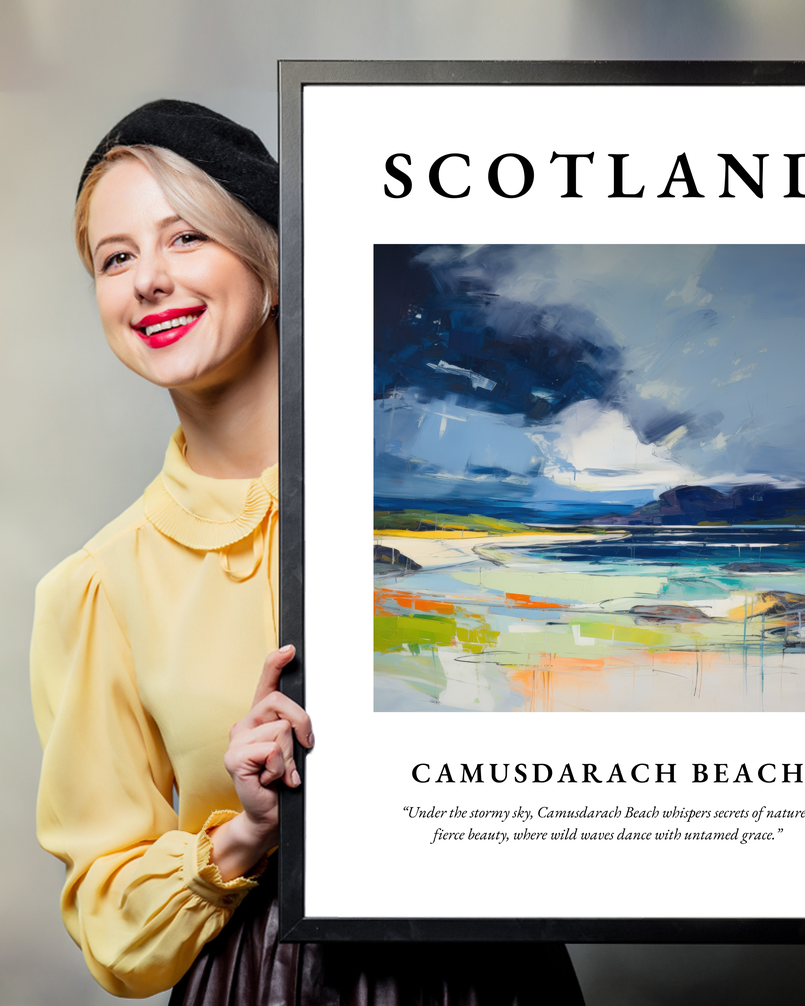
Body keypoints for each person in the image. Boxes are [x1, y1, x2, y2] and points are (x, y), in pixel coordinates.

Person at [30, 100, 585, 1004]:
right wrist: (245, 832)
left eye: (186, 239)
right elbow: (110, 924)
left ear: (273, 264)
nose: (148, 281)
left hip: (493, 973)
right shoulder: (97, 587)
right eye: (116, 257)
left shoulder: (447, 505)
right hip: (263, 981)